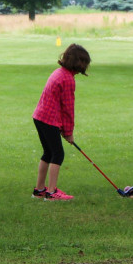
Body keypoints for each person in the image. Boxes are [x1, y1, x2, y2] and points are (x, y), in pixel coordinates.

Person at [32, 44, 91, 200]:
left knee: (48, 152)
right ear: (78, 63)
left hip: (39, 117)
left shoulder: (59, 72)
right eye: (84, 62)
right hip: (48, 119)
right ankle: (51, 193)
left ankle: (39, 190)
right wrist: (69, 133)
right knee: (57, 154)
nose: (85, 66)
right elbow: (68, 109)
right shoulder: (67, 80)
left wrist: (64, 130)